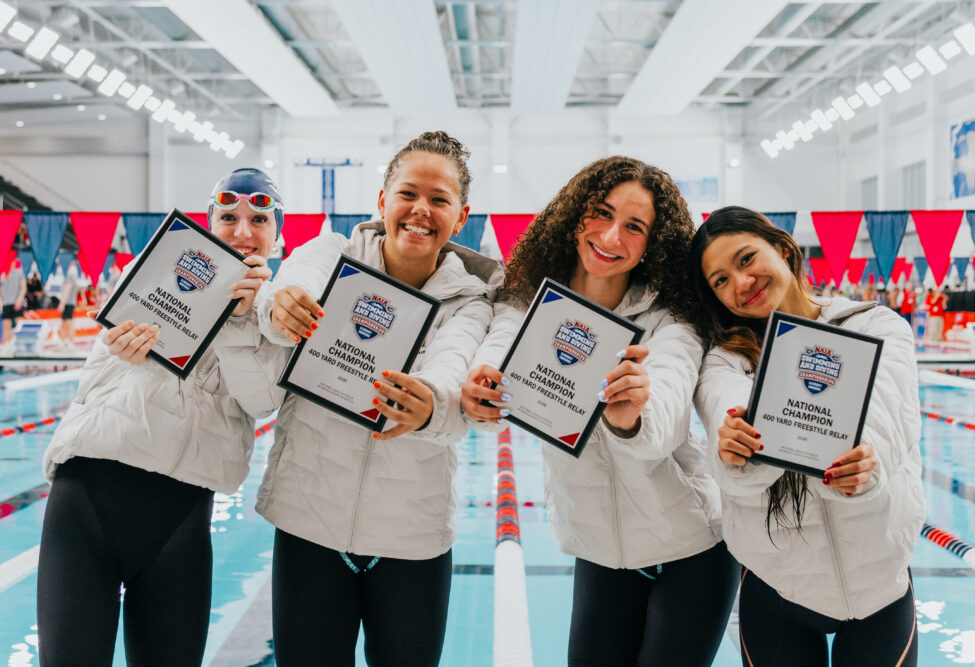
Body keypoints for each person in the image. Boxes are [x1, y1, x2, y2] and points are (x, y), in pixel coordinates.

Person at [462, 156, 737, 667]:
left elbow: (668, 408)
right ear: (574, 215)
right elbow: (499, 343)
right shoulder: (528, 301)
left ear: (653, 243)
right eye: (602, 213)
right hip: (599, 551)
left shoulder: (669, 320)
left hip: (692, 551)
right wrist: (481, 384)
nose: (611, 236)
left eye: (634, 226)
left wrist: (633, 416)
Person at [240, 131, 501, 666]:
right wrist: (280, 306)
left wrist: (431, 404)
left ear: (462, 214)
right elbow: (289, 288)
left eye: (439, 199)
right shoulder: (329, 254)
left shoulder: (470, 304)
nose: (420, 210)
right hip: (310, 525)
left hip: (413, 542)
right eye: (408, 193)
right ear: (382, 200)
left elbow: (454, 373)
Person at [37, 167, 286, 666]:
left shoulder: (276, 318)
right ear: (207, 222)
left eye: (259, 219)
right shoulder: (154, 273)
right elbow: (98, 374)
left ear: (277, 238)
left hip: (179, 520)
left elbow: (260, 401)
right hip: (86, 499)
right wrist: (119, 351)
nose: (242, 230)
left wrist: (242, 320)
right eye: (228, 216)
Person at [690, 206, 925, 667]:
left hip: (880, 584)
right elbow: (727, 409)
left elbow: (890, 414)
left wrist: (865, 463)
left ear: (781, 249)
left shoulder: (876, 326)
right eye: (719, 280)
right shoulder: (725, 360)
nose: (740, 283)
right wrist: (738, 448)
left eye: (745, 259)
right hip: (778, 588)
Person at [0, 259, 27, 354]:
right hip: (6, 303)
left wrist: (19, 300)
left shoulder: (19, 272)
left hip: (16, 303)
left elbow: (23, 287)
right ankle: (7, 346)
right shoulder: (2, 273)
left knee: (19, 327)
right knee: (6, 327)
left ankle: (22, 347)